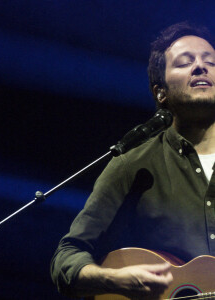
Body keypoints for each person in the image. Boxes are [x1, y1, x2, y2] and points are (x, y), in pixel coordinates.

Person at [50, 21, 215, 299]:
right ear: (161, 92)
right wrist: (112, 279)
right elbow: (66, 257)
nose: (201, 67)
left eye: (210, 61)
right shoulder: (133, 164)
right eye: (185, 62)